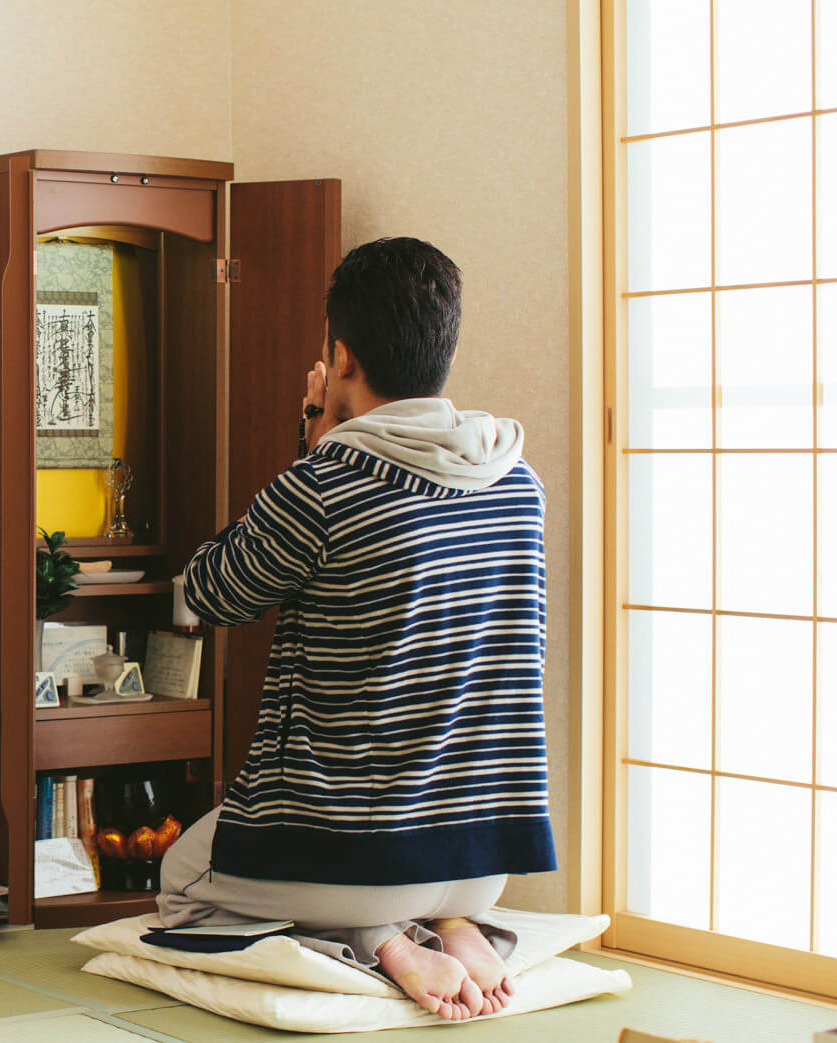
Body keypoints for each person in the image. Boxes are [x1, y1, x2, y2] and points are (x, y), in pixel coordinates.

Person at [159, 237, 554, 1021]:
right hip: (482, 855)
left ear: (340, 357)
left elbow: (212, 589)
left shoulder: (327, 484)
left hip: (354, 855)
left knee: (181, 879)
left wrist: (313, 427)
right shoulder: (518, 481)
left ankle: (380, 936)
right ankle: (453, 922)